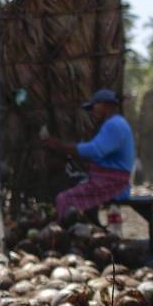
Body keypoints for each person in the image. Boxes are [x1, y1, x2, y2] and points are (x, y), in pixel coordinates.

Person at [42, 88, 135, 221]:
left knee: (64, 199)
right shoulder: (115, 124)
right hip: (112, 181)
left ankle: (66, 235)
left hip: (113, 184)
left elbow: (94, 150)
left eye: (94, 107)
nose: (92, 112)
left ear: (105, 105)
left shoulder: (114, 125)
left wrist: (61, 146)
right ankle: (90, 225)